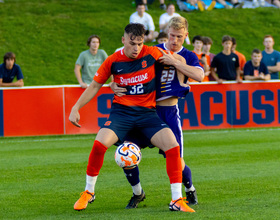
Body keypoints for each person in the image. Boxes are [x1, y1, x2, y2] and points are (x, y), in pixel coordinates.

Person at [69, 23, 195, 213]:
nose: (136, 48)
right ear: (123, 40)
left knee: (173, 146)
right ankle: (89, 192)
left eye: (139, 43)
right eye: (132, 43)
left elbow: (177, 58)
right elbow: (94, 86)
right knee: (99, 144)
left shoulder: (151, 52)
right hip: (122, 113)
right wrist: (76, 107)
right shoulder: (112, 60)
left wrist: (181, 68)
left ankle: (176, 199)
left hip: (147, 114)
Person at [111, 16, 204, 209]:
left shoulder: (188, 55)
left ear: (186, 35)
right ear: (166, 33)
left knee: (176, 159)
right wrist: (113, 83)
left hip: (169, 112)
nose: (174, 40)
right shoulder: (153, 50)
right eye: (171, 35)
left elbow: (199, 75)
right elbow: (127, 62)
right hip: (145, 111)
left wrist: (175, 62)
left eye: (179, 36)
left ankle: (189, 188)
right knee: (126, 152)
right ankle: (137, 193)